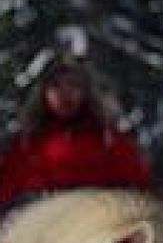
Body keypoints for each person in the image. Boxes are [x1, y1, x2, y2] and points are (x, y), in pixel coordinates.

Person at [0, 56, 151, 209]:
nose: (65, 92)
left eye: (73, 85)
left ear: (85, 92)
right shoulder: (26, 143)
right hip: (42, 222)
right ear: (43, 93)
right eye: (55, 86)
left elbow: (139, 189)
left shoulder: (109, 140)